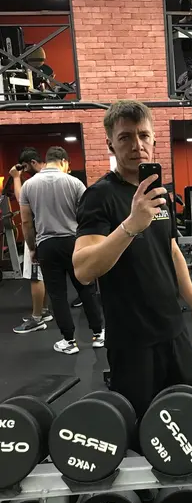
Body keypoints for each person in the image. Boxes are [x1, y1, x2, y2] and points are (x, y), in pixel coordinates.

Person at [73, 99, 192, 415]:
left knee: (188, 414)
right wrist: (130, 226)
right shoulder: (99, 196)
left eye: (143, 135)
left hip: (173, 330)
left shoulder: (158, 193)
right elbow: (82, 269)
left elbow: (172, 251)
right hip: (132, 341)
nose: (137, 145)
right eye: (125, 137)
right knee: (140, 424)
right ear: (110, 144)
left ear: (153, 139)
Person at [19, 146, 104, 354]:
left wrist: (32, 248)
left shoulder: (28, 185)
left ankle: (69, 341)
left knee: (57, 294)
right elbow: (87, 216)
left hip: (47, 244)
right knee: (86, 288)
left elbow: (26, 222)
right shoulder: (74, 183)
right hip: (74, 242)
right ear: (64, 161)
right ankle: (98, 334)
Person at [9, 148, 53, 334]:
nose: (24, 172)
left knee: (36, 276)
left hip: (36, 234)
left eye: (25, 167)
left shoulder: (34, 182)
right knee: (45, 275)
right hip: (52, 233)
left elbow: (21, 201)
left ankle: (37, 319)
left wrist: (16, 178)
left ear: (33, 162)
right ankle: (44, 310)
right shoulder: (55, 178)